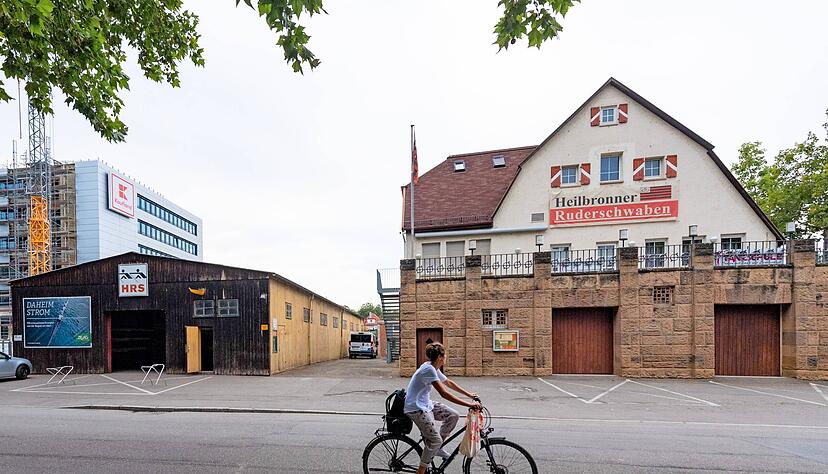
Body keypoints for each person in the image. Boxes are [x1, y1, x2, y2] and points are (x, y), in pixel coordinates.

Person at [404, 342, 481, 474]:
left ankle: (437, 448)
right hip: (416, 408)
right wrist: (469, 404)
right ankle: (421, 471)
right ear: (440, 357)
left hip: (426, 404)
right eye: (445, 355)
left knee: (453, 415)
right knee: (434, 440)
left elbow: (448, 382)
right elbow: (444, 393)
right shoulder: (428, 369)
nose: (446, 357)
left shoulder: (432, 367)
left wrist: (469, 395)